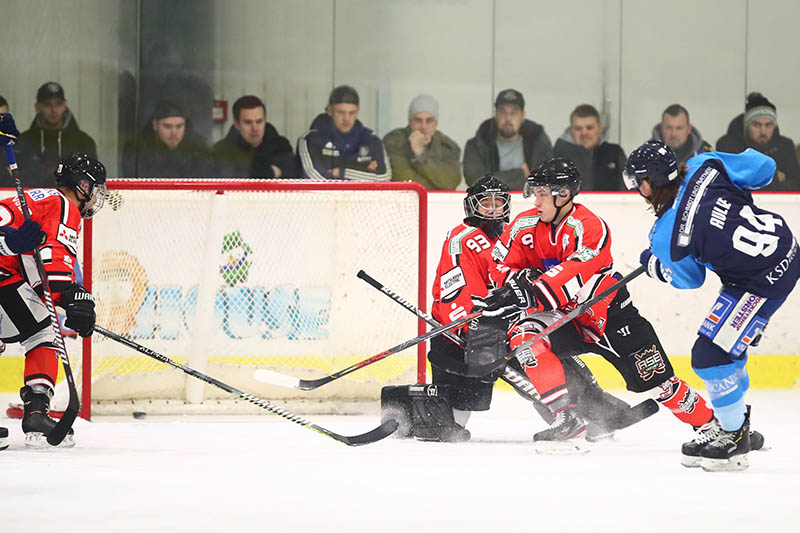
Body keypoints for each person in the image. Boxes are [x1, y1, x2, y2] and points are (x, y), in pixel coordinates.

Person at [471, 159, 766, 458]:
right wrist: (514, 282)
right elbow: (501, 265)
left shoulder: (589, 227)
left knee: (661, 385)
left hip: (610, 315)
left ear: (563, 194)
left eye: (543, 194)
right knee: (525, 338)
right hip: (564, 318)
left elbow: (576, 271)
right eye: (535, 193)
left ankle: (718, 427)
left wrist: (531, 288)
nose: (536, 200)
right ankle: (566, 418)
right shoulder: (524, 224)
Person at [423, 174, 651, 443]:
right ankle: (577, 413)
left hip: (502, 323)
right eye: (487, 203)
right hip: (464, 333)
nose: (495, 210)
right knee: (457, 418)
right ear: (472, 206)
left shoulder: (515, 233)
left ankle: (592, 409)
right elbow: (455, 291)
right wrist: (468, 326)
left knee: (542, 350)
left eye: (500, 202)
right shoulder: (462, 239)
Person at [623, 140, 796, 471]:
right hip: (782, 248)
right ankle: (733, 422)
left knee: (711, 355)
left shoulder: (665, 234)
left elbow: (690, 279)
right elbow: (764, 169)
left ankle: (734, 436)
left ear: (647, 184)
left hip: (759, 281)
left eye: (636, 183)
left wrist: (657, 265)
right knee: (725, 348)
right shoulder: (705, 163)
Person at [0, 115, 104, 449]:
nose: (96, 198)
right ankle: (37, 411)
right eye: (96, 190)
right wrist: (71, 297)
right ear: (83, 186)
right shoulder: (63, 205)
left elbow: (32, 264)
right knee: (44, 331)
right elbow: (53, 266)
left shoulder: (29, 198)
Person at [463, 89, 552, 190]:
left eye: (514, 112)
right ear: (495, 114)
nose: (508, 118)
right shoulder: (478, 144)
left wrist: (494, 178)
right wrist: (521, 174)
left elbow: (544, 182)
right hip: (491, 204)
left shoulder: (538, 143)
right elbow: (475, 181)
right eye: (502, 112)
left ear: (522, 116)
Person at [298, 85, 390, 181]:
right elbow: (316, 179)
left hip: (362, 196)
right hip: (325, 196)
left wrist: (341, 172)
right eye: (341, 112)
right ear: (329, 110)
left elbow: (384, 178)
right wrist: (363, 172)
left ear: (358, 111)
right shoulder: (310, 140)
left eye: (352, 113)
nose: (346, 118)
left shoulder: (371, 140)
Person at [14, 82, 97, 187]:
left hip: (73, 201)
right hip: (33, 200)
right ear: (37, 107)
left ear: (65, 105)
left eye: (58, 104)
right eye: (47, 104)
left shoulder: (84, 142)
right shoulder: (23, 142)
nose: (53, 110)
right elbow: (17, 180)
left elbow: (91, 179)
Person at [716, 92, 800, 191]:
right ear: (747, 126)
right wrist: (775, 178)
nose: (763, 131)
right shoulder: (727, 145)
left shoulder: (785, 146)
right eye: (757, 125)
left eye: (768, 125)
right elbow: (729, 183)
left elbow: (795, 184)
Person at [383, 94, 461, 190]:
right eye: (418, 120)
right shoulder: (394, 141)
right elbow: (402, 180)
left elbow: (451, 181)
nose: (424, 126)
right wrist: (439, 185)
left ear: (436, 123)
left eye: (429, 120)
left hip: (439, 203)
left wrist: (420, 152)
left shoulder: (448, 146)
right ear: (410, 121)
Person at [212, 95, 296, 178]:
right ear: (237, 124)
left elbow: (292, 176)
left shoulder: (281, 146)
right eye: (248, 122)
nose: (255, 128)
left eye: (259, 121)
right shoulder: (221, 151)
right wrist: (270, 173)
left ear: (265, 120)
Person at [122, 100, 210, 178]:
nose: (174, 133)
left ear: (185, 125)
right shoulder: (137, 148)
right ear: (155, 125)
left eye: (179, 126)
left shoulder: (199, 148)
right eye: (167, 126)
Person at [552, 104, 625, 191]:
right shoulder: (557, 156)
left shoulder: (615, 153)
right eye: (578, 128)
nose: (584, 133)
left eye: (589, 128)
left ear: (600, 128)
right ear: (571, 130)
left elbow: (628, 188)